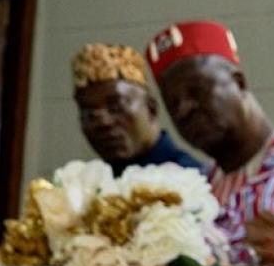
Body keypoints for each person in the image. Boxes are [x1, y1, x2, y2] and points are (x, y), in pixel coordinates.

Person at [146, 20, 274, 266]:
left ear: (238, 82)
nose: (184, 110)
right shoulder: (198, 185)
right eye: (173, 103)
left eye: (196, 92)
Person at [71, 43, 206, 175]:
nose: (103, 122)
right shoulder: (86, 187)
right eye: (89, 114)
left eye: (116, 108)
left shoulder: (192, 182)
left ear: (151, 108)